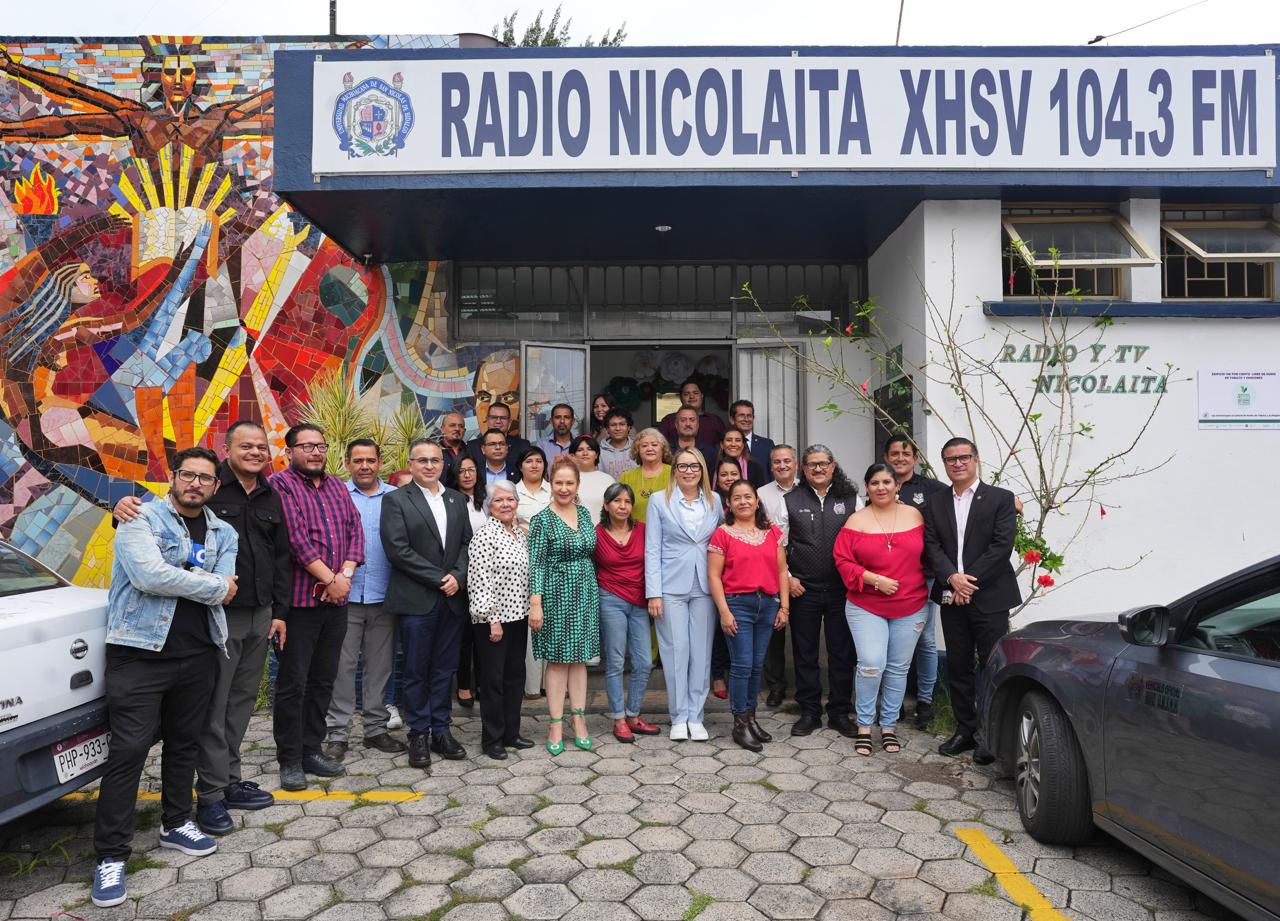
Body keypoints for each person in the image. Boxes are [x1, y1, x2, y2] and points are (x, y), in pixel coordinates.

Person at [111, 421, 288, 834]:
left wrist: (279, 611)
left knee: (240, 705)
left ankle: (228, 779)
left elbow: (279, 557)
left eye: (261, 447)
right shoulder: (202, 488)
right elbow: (152, 539)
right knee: (212, 711)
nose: (255, 452)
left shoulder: (270, 495)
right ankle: (210, 795)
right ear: (227, 450)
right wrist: (119, 508)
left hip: (258, 614)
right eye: (246, 446)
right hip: (218, 618)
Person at [91, 447, 238, 908]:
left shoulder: (224, 531)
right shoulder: (139, 518)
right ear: (173, 477)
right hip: (139, 653)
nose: (195, 483)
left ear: (215, 486)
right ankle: (111, 855)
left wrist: (209, 585)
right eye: (188, 475)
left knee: (184, 743)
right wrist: (212, 585)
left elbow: (227, 584)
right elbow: (149, 577)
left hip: (198, 653)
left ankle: (175, 823)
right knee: (129, 750)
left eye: (205, 478)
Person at [272, 424, 364, 792]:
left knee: (323, 679)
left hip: (335, 602)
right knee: (293, 683)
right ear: (289, 451)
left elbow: (355, 530)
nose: (315, 452)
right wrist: (330, 580)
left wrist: (344, 576)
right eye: (306, 446)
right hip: (299, 603)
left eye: (320, 446)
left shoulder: (337, 486)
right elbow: (295, 540)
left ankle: (311, 749)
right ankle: (289, 759)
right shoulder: (280, 485)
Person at [924, 437, 1020, 764]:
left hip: (990, 596)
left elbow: (1001, 546)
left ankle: (990, 736)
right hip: (952, 596)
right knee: (958, 665)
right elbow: (932, 546)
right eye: (951, 459)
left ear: (976, 459)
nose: (958, 463)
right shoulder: (935, 503)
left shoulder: (1000, 498)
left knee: (992, 666)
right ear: (944, 463)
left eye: (964, 457)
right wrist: (952, 578)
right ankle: (965, 729)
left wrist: (967, 581)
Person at [380, 438, 474, 768]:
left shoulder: (456, 499)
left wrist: (458, 576)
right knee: (416, 670)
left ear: (443, 465)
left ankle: (442, 731)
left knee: (444, 669)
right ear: (411, 464)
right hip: (417, 599)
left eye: (435, 460)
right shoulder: (396, 500)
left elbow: (467, 544)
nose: (430, 465)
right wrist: (440, 578)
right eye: (422, 460)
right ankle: (418, 733)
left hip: (451, 600)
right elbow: (398, 550)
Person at [834, 463, 930, 757]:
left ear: (897, 485)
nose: (881, 487)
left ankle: (888, 726)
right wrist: (873, 579)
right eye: (874, 482)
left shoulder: (915, 515)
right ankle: (865, 726)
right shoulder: (856, 521)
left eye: (887, 482)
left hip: (911, 604)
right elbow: (842, 560)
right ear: (867, 487)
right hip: (866, 605)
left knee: (898, 668)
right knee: (871, 663)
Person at [321, 440, 406, 762]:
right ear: (347, 463)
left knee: (380, 667)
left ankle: (375, 730)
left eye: (370, 460)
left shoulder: (395, 498)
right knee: (342, 668)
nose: (365, 466)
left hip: (384, 595)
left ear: (380, 463)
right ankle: (338, 734)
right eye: (358, 460)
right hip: (344, 595)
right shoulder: (334, 495)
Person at [779, 445, 860, 739]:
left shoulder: (851, 499)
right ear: (803, 469)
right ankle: (810, 711)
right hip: (804, 590)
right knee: (805, 653)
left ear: (833, 466)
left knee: (842, 653)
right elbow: (778, 546)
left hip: (842, 590)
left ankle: (839, 712)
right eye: (812, 465)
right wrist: (788, 578)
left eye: (823, 464)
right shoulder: (790, 500)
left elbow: (863, 541)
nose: (818, 469)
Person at [645, 447, 723, 741]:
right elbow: (652, 548)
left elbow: (722, 541)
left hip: (705, 585)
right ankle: (679, 716)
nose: (688, 471)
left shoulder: (715, 501)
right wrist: (654, 593)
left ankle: (696, 716)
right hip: (670, 586)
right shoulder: (659, 500)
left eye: (694, 466)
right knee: (676, 651)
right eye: (682, 466)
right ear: (674, 470)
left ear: (702, 470)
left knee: (701, 653)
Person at [708, 480, 789, 752]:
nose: (743, 502)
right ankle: (740, 723)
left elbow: (781, 571)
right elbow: (714, 576)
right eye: (737, 498)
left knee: (756, 665)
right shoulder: (723, 534)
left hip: (767, 604)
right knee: (742, 665)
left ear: (757, 501)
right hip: (737, 605)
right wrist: (724, 612)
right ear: (729, 504)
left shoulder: (772, 532)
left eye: (748, 497)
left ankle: (751, 718)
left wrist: (784, 607)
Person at [529, 456, 601, 755]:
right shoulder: (542, 520)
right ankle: (556, 723)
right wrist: (536, 604)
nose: (564, 488)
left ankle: (579, 719)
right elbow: (536, 564)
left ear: (578, 485)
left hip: (585, 592)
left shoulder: (584, 513)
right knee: (558, 660)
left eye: (569, 483)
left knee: (579, 659)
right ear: (551, 484)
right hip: (555, 594)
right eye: (558, 482)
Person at [466, 479, 532, 759]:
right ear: (489, 505)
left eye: (510, 499)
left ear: (517, 502)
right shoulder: (484, 536)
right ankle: (492, 739)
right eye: (499, 500)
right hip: (493, 620)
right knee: (493, 680)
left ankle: (511, 733)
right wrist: (491, 619)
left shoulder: (519, 533)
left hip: (519, 616)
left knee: (515, 677)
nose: (505, 504)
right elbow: (479, 581)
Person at [884, 436, 947, 730]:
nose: (900, 458)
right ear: (886, 457)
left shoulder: (932, 489)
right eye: (894, 453)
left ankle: (925, 702)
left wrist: (1008, 500)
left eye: (905, 453)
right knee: (889, 639)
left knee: (925, 640)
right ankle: (893, 702)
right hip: (889, 578)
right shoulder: (881, 484)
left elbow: (966, 498)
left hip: (924, 576)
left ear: (915, 458)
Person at [594, 483, 660, 743]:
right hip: (610, 600)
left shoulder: (643, 530)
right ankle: (619, 719)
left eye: (627, 501)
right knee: (616, 661)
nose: (622, 506)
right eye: (617, 501)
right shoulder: (597, 534)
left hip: (640, 602)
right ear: (606, 505)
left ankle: (633, 714)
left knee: (644, 661)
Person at [756, 445, 798, 708]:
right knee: (774, 631)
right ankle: (776, 686)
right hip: (772, 566)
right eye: (777, 462)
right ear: (771, 466)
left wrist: (794, 575)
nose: (782, 466)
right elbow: (761, 534)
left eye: (787, 461)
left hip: (804, 567)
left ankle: (804, 686)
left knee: (803, 631)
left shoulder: (807, 489)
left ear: (795, 463)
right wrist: (787, 576)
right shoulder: (761, 494)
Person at [445, 455, 489, 709]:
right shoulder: (449, 500)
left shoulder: (486, 501)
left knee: (484, 633)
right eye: (461, 471)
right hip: (461, 575)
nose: (467, 475)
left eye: (471, 470)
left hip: (486, 577)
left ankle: (482, 682)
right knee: (464, 636)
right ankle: (463, 685)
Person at [619, 428, 672, 523]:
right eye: (644, 446)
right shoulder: (626, 477)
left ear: (663, 449)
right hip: (634, 530)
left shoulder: (674, 473)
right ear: (637, 450)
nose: (649, 448)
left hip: (667, 530)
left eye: (654, 445)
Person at [658, 378, 726, 446]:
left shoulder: (715, 420)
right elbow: (660, 446)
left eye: (695, 393)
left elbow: (725, 445)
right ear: (681, 398)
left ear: (702, 396)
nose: (691, 396)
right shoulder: (669, 420)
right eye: (686, 394)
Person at [466, 401, 530, 469]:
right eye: (494, 417)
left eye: (503, 418)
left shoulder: (523, 446)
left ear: (509, 422)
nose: (498, 421)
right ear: (487, 420)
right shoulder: (472, 447)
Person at [570, 435, 615, 520]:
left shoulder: (608, 480)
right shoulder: (566, 479)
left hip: (602, 527)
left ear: (596, 455)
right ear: (573, 455)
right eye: (580, 450)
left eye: (590, 449)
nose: (585, 453)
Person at [730, 400, 776, 479]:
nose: (746, 419)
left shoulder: (767, 445)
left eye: (749, 416)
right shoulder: (725, 446)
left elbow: (774, 475)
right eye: (741, 415)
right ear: (732, 420)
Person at [599, 408, 637, 479]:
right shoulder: (599, 452)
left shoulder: (638, 448)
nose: (618, 428)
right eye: (613, 425)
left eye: (622, 424)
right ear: (607, 429)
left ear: (629, 427)